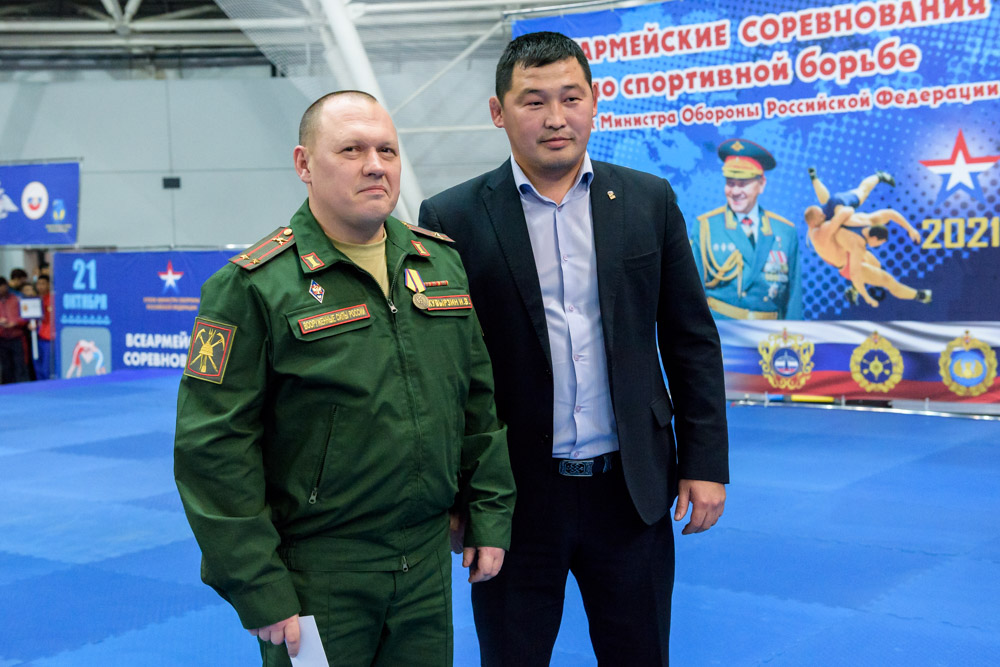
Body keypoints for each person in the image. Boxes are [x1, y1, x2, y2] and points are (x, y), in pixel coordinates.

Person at [174, 90, 516, 667]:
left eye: (387, 150)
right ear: (304, 164)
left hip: (427, 566)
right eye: (351, 150)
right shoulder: (252, 287)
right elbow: (213, 449)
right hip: (318, 575)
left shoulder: (439, 264)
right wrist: (257, 584)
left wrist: (489, 513)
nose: (375, 165)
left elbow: (477, 403)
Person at [419, 31, 729, 666]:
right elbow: (444, 375)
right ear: (498, 111)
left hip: (632, 491)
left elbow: (691, 340)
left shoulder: (648, 201)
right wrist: (459, 495)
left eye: (570, 98)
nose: (555, 118)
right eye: (533, 101)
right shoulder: (452, 217)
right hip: (512, 500)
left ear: (595, 102)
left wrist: (705, 462)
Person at [691, 139, 802, 320]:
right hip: (721, 331)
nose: (735, 191)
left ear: (762, 184)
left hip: (768, 333)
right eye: (730, 183)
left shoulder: (785, 231)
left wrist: (793, 335)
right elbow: (692, 295)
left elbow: (794, 299)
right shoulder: (706, 227)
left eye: (743, 183)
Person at [804, 204, 930, 308]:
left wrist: (910, 228)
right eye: (821, 216)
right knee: (888, 281)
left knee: (877, 265)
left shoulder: (863, 220)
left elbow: (890, 213)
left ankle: (854, 290)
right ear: (875, 238)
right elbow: (854, 274)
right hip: (846, 265)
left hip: (847, 251)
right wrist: (867, 297)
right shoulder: (824, 233)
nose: (824, 216)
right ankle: (922, 296)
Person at [0, 276, 30, 383]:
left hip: (17, 337)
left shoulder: (18, 298)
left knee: (20, 365)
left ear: (6, 286)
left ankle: (22, 388)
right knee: (6, 367)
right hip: (2, 338)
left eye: (2, 287)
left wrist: (16, 322)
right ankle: (7, 389)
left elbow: (27, 316)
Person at [30, 275, 54, 380]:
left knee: (46, 368)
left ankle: (48, 386)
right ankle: (39, 386)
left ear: (49, 285)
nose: (40, 286)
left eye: (43, 284)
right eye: (38, 284)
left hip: (48, 338)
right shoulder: (34, 299)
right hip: (36, 336)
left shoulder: (53, 299)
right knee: (37, 366)